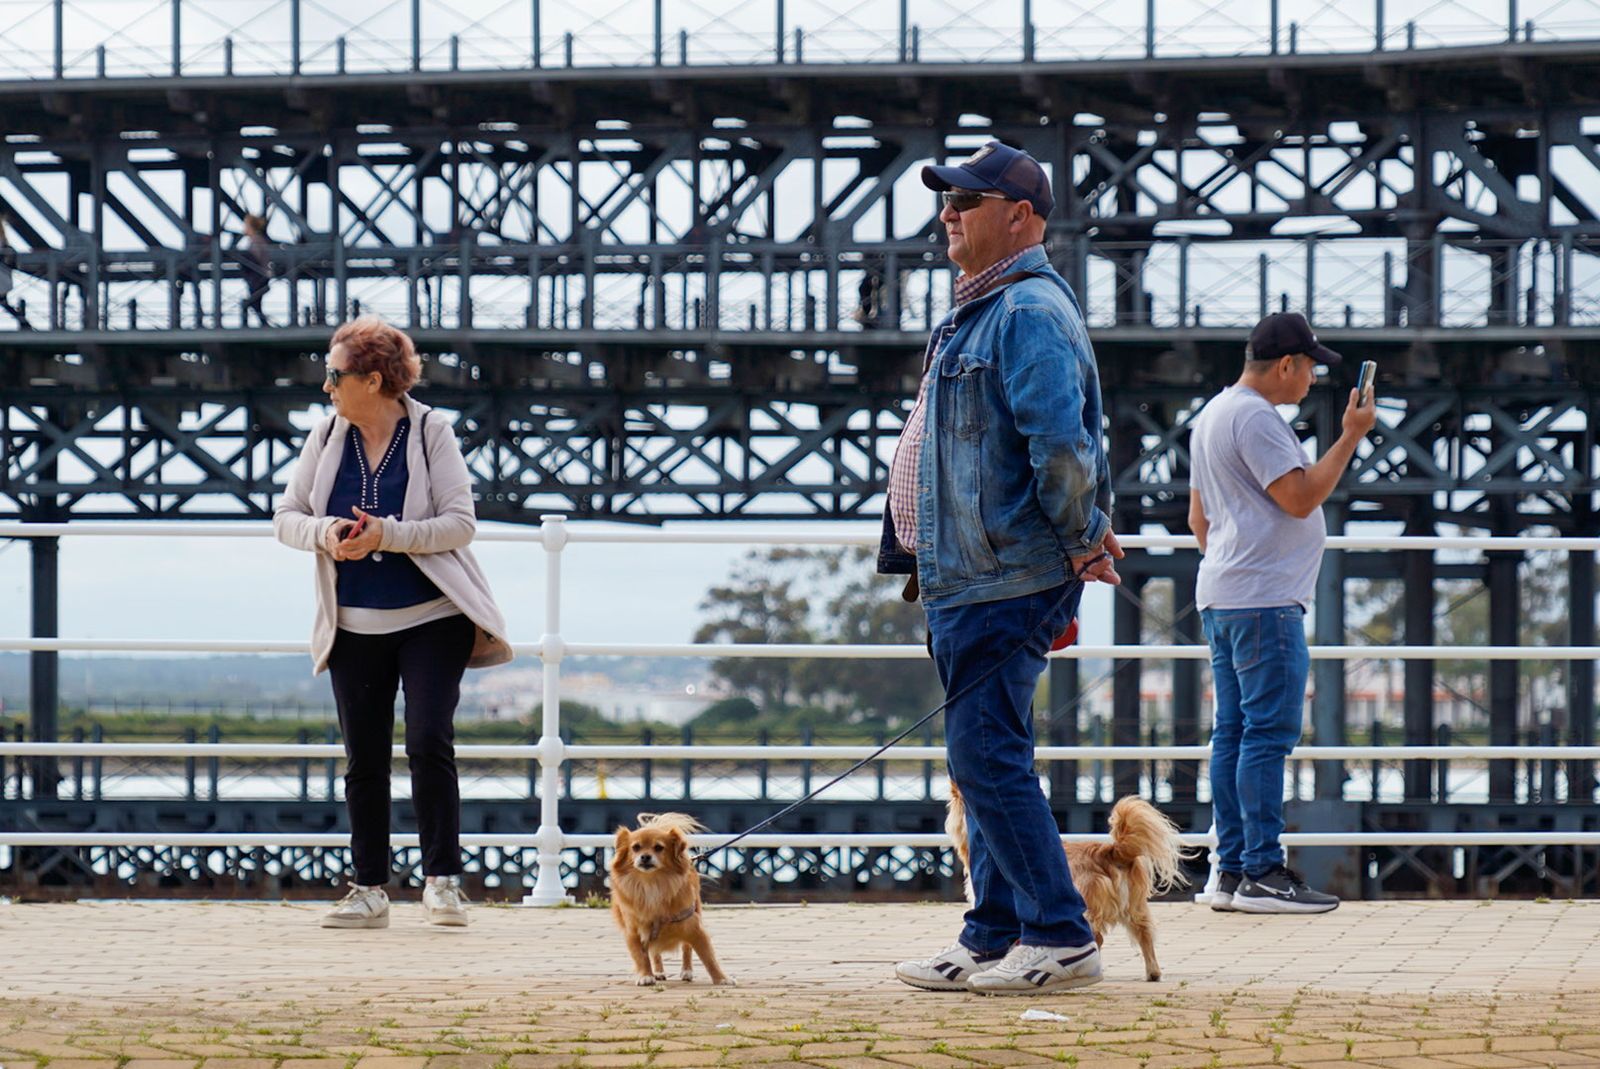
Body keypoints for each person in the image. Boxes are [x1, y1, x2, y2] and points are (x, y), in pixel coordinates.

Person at [881, 140, 1123, 996]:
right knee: (983, 755)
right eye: (946, 199)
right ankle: (992, 933)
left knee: (986, 757)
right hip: (966, 576)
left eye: (967, 200)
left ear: (1020, 215)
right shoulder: (978, 311)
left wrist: (1083, 533)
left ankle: (1059, 933)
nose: (948, 212)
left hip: (1004, 574)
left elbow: (1060, 444)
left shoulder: (1025, 313)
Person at [274, 316, 513, 929]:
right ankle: (370, 890)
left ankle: (443, 883)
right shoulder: (325, 436)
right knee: (365, 758)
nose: (325, 386)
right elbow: (286, 517)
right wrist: (327, 533)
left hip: (434, 616)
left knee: (429, 741)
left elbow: (460, 523)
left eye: (334, 374)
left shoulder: (432, 430)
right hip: (354, 622)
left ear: (371, 379)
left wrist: (390, 535)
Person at [1187, 311, 1377, 914]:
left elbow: (1200, 522)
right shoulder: (1257, 417)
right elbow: (1298, 498)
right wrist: (1350, 435)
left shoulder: (1213, 414)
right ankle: (1265, 872)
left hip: (1224, 595)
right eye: (1312, 367)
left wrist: (1238, 558)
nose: (1314, 379)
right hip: (1266, 603)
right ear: (1287, 364)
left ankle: (1229, 873)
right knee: (1268, 736)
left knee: (1235, 736)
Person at [238, 213, 272, 326]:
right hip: (259, 277)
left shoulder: (257, 240)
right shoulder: (257, 240)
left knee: (251, 303)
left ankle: (247, 325)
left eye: (246, 225)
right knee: (256, 305)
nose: (244, 228)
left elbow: (257, 259)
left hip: (258, 277)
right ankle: (264, 325)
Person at [0, 212, 31, 329]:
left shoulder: (5, 248)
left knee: (3, 302)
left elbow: (11, 261)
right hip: (3, 278)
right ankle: (23, 321)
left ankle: (23, 321)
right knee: (4, 302)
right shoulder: (6, 246)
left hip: (2, 278)